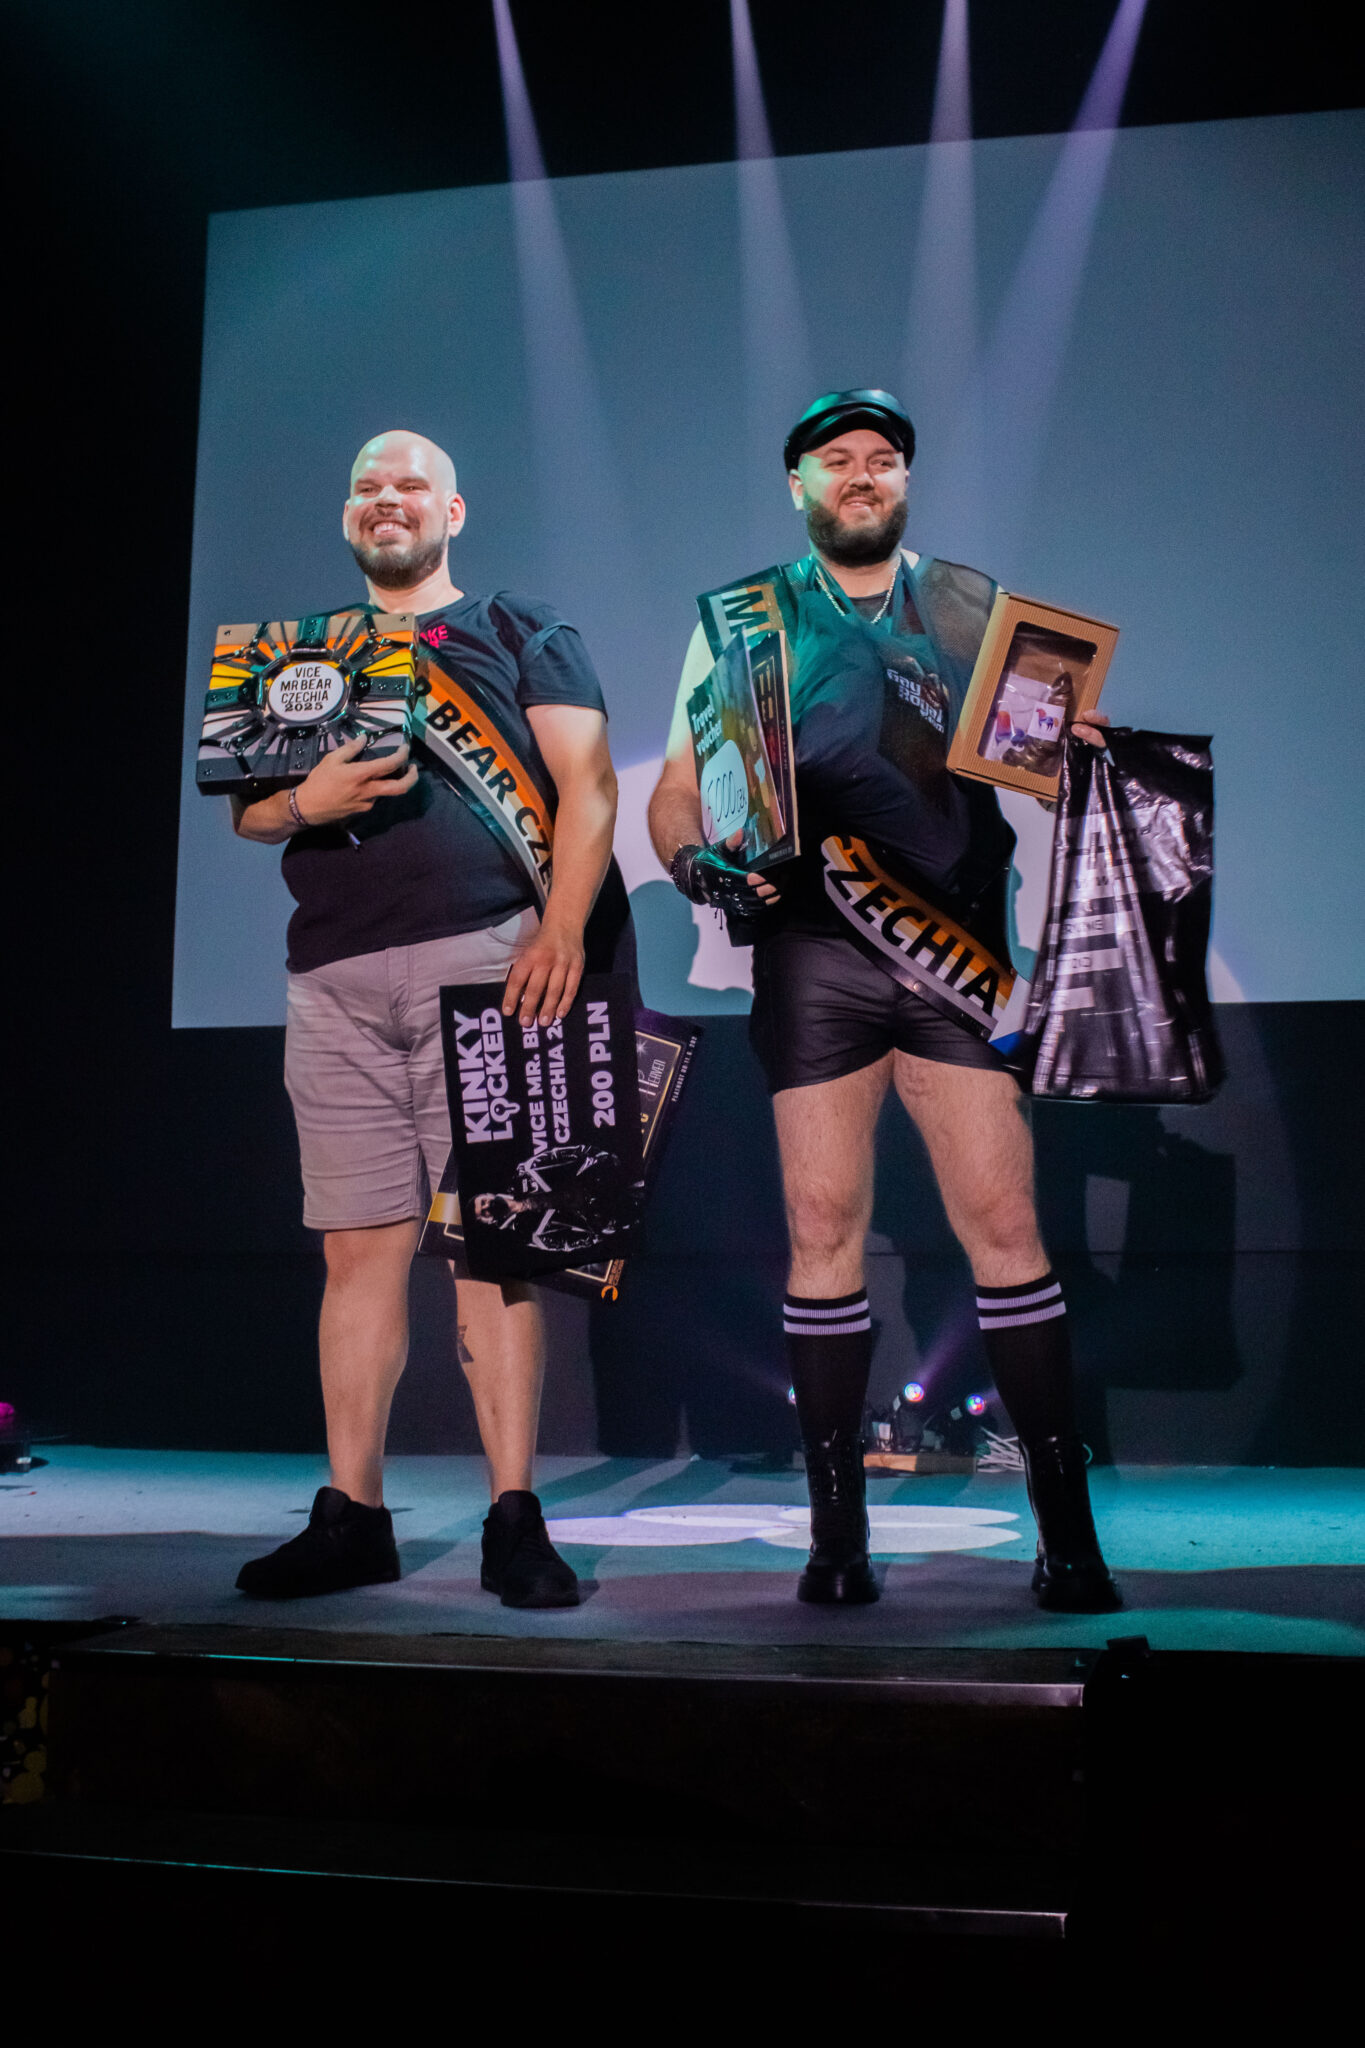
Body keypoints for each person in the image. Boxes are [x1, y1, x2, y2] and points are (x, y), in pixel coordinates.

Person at [648, 388, 1120, 1612]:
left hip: (957, 948)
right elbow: (679, 788)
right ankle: (838, 1536)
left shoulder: (974, 604)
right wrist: (697, 865)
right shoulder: (740, 618)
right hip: (813, 950)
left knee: (1003, 1220)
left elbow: (1043, 767)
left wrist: (1079, 752)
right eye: (837, 458)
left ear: (905, 480)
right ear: (797, 484)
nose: (862, 473)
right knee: (820, 1223)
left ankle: (1068, 1534)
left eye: (883, 458)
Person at [233, 429, 627, 1608]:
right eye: (367, 485)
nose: (387, 499)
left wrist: (563, 929)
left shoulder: (518, 627)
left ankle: (515, 1516)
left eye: (410, 484)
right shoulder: (301, 654)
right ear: (348, 513)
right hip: (333, 977)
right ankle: (352, 1514)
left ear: (453, 509)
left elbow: (590, 785)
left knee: (494, 1251)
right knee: (356, 1254)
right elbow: (250, 810)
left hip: (492, 963)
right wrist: (306, 799)